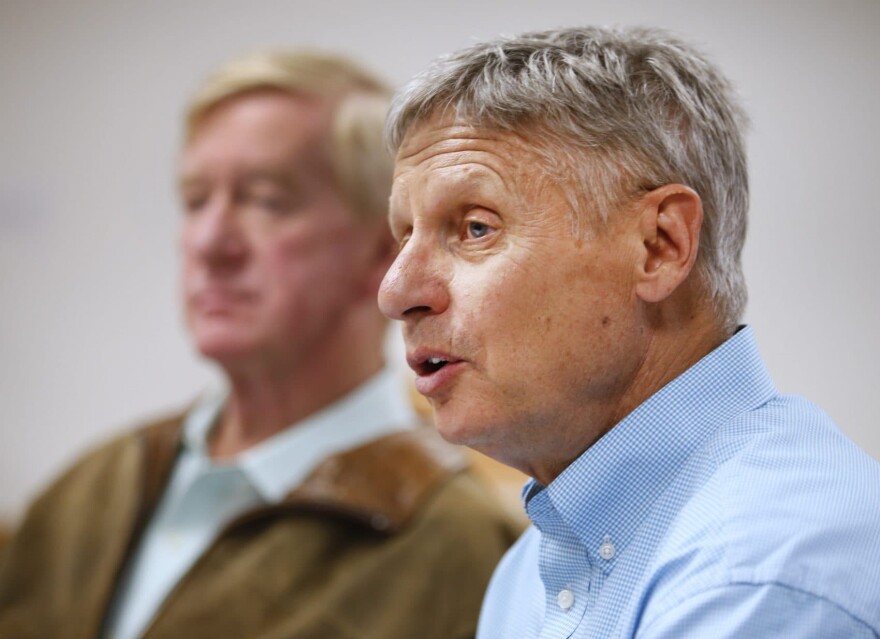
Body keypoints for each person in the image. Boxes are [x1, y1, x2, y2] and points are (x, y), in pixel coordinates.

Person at [378, 26, 880, 638]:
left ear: (659, 247)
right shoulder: (526, 575)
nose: (396, 292)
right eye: (404, 236)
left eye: (476, 228)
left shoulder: (762, 573)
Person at [0, 49, 520, 639]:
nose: (210, 241)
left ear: (384, 253)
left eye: (266, 200)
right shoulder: (94, 486)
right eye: (196, 201)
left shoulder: (455, 547)